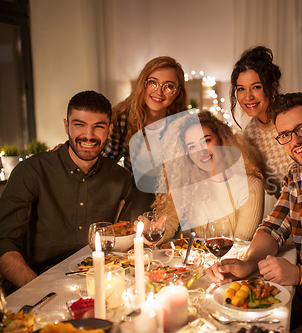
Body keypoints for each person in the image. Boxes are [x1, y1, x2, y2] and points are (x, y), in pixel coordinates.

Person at [208, 92, 302, 330]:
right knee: (234, 321)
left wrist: (299, 274)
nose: (296, 141)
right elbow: (274, 226)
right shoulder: (297, 174)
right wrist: (248, 264)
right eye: (286, 135)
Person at [0, 91, 133, 292]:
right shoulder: (31, 172)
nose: (89, 135)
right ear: (66, 126)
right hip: (34, 283)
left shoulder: (120, 179)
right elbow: (4, 243)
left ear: (109, 130)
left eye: (98, 127)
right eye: (79, 125)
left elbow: (126, 239)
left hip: (97, 284)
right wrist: (39, 289)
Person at [230, 46, 302, 198]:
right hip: (292, 208)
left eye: (256, 87)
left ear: (273, 87)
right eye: (241, 89)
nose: (248, 97)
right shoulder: (250, 136)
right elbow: (272, 189)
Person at [152, 111, 266, 241]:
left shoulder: (250, 186)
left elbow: (240, 244)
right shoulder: (188, 185)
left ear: (222, 140)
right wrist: (155, 231)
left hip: (233, 260)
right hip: (198, 259)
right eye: (192, 146)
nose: (201, 151)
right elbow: (170, 225)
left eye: (206, 141)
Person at [102, 56, 188, 219]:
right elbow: (104, 161)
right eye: (153, 82)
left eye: (168, 86)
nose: (159, 91)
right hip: (133, 203)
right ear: (143, 83)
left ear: (177, 92)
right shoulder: (121, 117)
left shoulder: (181, 124)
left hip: (170, 205)